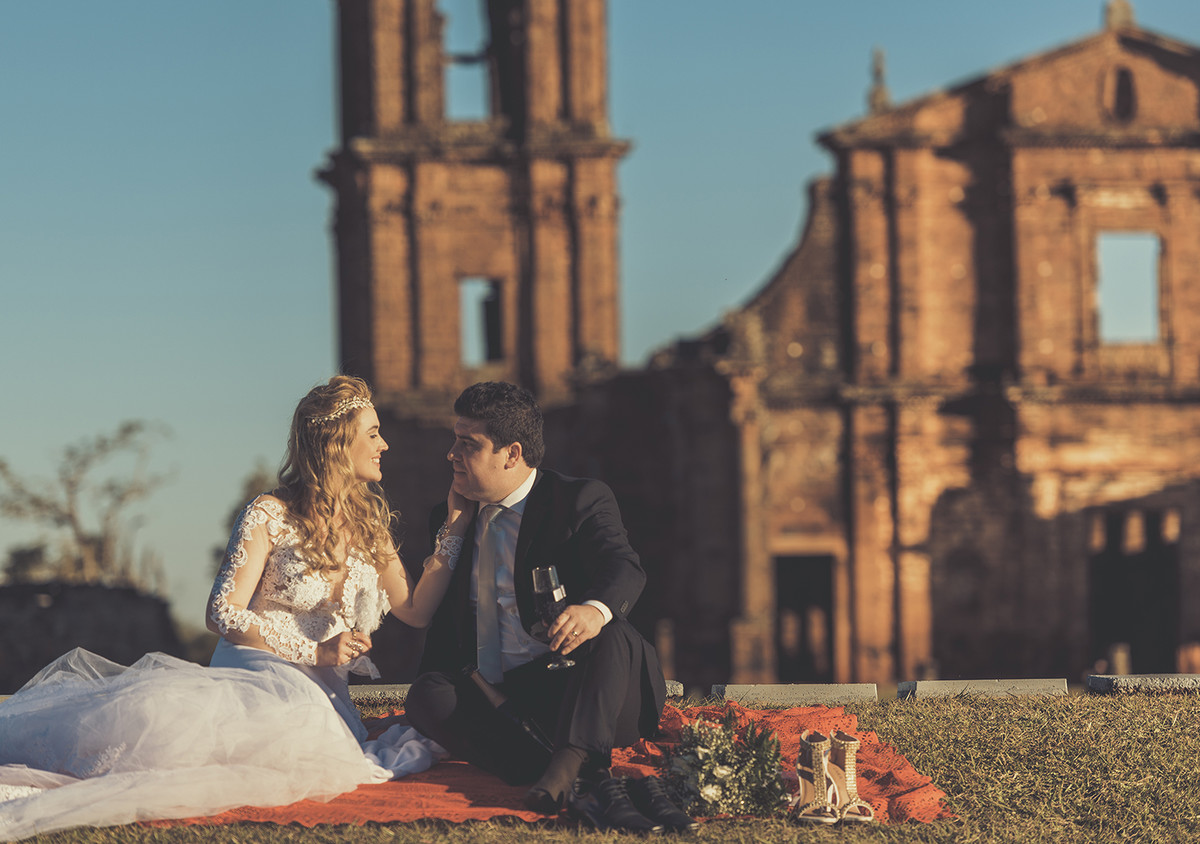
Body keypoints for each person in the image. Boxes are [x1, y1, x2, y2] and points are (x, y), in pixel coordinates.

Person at [0, 375, 470, 840]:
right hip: (257, 672)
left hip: (325, 695)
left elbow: (416, 610)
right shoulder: (268, 513)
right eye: (373, 433)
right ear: (336, 443)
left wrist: (455, 526)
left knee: (314, 745)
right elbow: (221, 612)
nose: (384, 444)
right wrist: (315, 651)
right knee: (164, 750)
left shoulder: (369, 525)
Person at [404, 381, 672, 832]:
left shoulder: (579, 499)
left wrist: (592, 611)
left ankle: (567, 764)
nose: (451, 454)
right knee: (427, 695)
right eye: (454, 439)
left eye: (468, 444)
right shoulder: (449, 516)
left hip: (585, 690)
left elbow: (623, 567)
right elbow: (439, 625)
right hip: (506, 702)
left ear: (512, 454)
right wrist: (453, 527)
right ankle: (573, 771)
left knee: (612, 631)